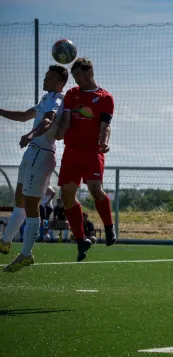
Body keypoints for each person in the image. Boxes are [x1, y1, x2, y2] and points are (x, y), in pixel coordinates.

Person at [0, 65, 68, 272]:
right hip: (32, 152)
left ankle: (26, 254)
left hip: (42, 154)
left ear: (60, 83)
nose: (45, 80)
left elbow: (48, 121)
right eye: (45, 77)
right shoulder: (45, 98)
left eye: (49, 78)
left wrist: (31, 135)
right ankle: (5, 241)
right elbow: (23, 116)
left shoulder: (57, 99)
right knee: (19, 200)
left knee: (31, 205)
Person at [55, 58, 116, 262]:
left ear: (89, 71)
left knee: (95, 189)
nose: (76, 80)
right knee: (67, 196)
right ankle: (81, 240)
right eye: (74, 77)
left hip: (92, 151)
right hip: (72, 151)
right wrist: (61, 131)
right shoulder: (72, 94)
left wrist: (104, 141)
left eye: (79, 75)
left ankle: (109, 227)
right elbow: (67, 118)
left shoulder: (105, 97)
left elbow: (105, 125)